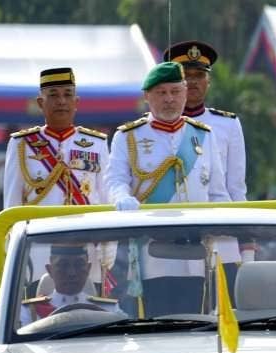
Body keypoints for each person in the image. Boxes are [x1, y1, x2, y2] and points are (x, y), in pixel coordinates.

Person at [106, 62, 231, 314]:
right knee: (155, 326)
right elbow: (114, 180)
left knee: (196, 325)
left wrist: (229, 253)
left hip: (197, 254)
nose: (169, 99)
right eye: (161, 93)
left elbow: (218, 193)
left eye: (175, 91)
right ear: (147, 97)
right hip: (151, 256)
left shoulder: (203, 136)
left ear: (185, 93)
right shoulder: (128, 136)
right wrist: (122, 196)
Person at [3, 67, 108, 208]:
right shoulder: (22, 144)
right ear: (40, 103)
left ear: (76, 102)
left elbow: (106, 198)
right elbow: (12, 202)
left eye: (67, 94)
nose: (61, 101)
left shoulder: (96, 143)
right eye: (53, 95)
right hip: (40, 228)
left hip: (83, 227)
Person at [163, 40, 247, 201]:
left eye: (200, 75)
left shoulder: (228, 124)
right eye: (186, 74)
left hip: (211, 217)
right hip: (166, 217)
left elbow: (236, 188)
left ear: (208, 82)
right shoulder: (153, 125)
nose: (193, 81)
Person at [19, 244, 121, 326]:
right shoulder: (30, 312)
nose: (71, 273)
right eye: (63, 265)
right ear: (50, 270)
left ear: (88, 269)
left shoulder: (109, 309)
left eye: (79, 265)